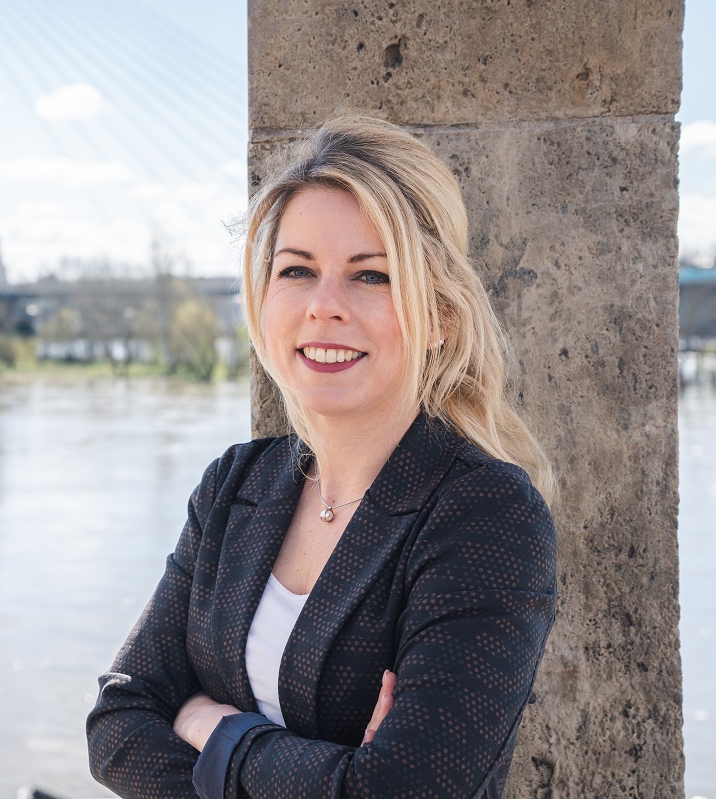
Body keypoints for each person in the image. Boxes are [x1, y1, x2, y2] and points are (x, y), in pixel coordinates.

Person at [85, 115, 558, 799]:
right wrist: (329, 772)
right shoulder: (233, 485)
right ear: (263, 297)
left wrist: (218, 729)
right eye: (298, 270)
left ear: (441, 316)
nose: (324, 306)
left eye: (370, 277)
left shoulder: (486, 517)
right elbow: (118, 723)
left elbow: (396, 790)